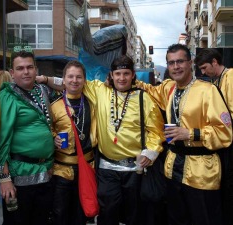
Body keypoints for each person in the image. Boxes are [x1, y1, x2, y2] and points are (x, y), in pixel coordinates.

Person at [39, 55, 165, 225]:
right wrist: (45, 79)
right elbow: (72, 82)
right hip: (106, 170)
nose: (122, 78)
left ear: (133, 75)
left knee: (134, 215)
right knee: (107, 213)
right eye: (118, 74)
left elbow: (156, 131)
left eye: (126, 74)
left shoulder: (144, 98)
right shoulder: (100, 90)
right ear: (111, 75)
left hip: (135, 171)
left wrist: (149, 152)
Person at [135, 43, 233, 225]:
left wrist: (191, 133)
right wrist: (128, 80)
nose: (175, 67)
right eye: (171, 63)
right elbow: (149, 90)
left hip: (202, 174)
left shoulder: (208, 91)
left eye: (180, 61)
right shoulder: (169, 90)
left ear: (190, 63)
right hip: (172, 171)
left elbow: (224, 132)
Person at [0, 50, 54, 225]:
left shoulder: (41, 90)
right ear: (12, 73)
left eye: (29, 67)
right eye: (20, 68)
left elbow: (68, 84)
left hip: (45, 172)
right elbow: (2, 139)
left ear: (36, 69)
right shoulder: (8, 96)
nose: (26, 72)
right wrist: (4, 179)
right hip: (19, 176)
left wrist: (47, 80)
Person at [46, 60, 97, 225]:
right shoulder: (54, 106)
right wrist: (54, 138)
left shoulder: (93, 104)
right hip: (61, 171)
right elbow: (48, 130)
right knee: (60, 214)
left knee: (83, 214)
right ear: (64, 79)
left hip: (88, 167)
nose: (74, 80)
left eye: (79, 77)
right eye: (70, 76)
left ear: (84, 80)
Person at [195, 48, 233, 225]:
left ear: (215, 63)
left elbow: (228, 114)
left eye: (204, 68)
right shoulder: (218, 79)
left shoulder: (230, 77)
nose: (203, 73)